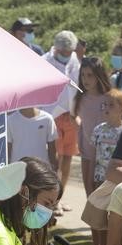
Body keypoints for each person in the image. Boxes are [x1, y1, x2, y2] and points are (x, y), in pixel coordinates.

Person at [84, 89, 122, 245]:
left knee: (114, 220)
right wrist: (89, 181)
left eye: (112, 105)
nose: (107, 108)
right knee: (98, 217)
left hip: (117, 184)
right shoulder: (98, 130)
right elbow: (93, 157)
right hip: (99, 180)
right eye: (105, 104)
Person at [43, 30, 81, 216]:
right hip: (52, 115)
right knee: (54, 160)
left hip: (71, 116)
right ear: (57, 48)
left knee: (67, 159)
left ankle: (61, 196)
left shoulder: (75, 61)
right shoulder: (44, 61)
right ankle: (52, 200)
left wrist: (76, 113)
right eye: (64, 52)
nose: (67, 55)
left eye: (69, 52)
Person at [74, 57, 111, 198]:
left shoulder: (108, 98)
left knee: (101, 192)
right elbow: (75, 116)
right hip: (86, 151)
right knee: (89, 192)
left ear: (99, 75)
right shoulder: (80, 97)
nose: (85, 79)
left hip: (105, 153)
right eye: (83, 75)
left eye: (90, 75)